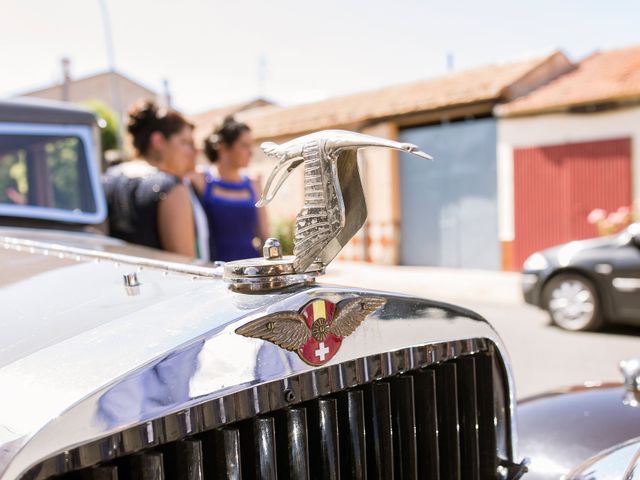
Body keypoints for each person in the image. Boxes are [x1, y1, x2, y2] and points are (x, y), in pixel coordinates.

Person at [103, 100, 199, 257]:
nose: (193, 151)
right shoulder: (171, 188)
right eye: (185, 142)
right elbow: (186, 265)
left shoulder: (108, 178)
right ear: (158, 141)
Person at [189, 116, 268, 262]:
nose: (250, 152)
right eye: (244, 145)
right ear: (223, 147)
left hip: (251, 267)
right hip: (215, 270)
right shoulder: (201, 179)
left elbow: (264, 236)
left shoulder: (254, 182)